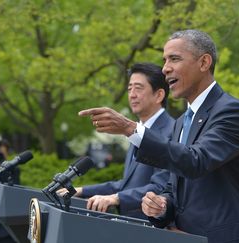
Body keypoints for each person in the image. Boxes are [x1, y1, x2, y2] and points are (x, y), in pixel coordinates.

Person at [78, 30, 239, 243]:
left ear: (204, 63)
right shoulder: (182, 122)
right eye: (164, 60)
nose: (165, 68)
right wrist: (160, 206)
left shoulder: (231, 111)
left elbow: (196, 160)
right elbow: (174, 189)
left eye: (174, 59)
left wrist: (131, 129)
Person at [59, 63, 174, 219]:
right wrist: (82, 190)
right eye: (129, 89)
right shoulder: (138, 130)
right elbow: (126, 184)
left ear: (159, 95)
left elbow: (161, 186)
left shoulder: (171, 131)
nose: (132, 94)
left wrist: (116, 198)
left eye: (138, 88)